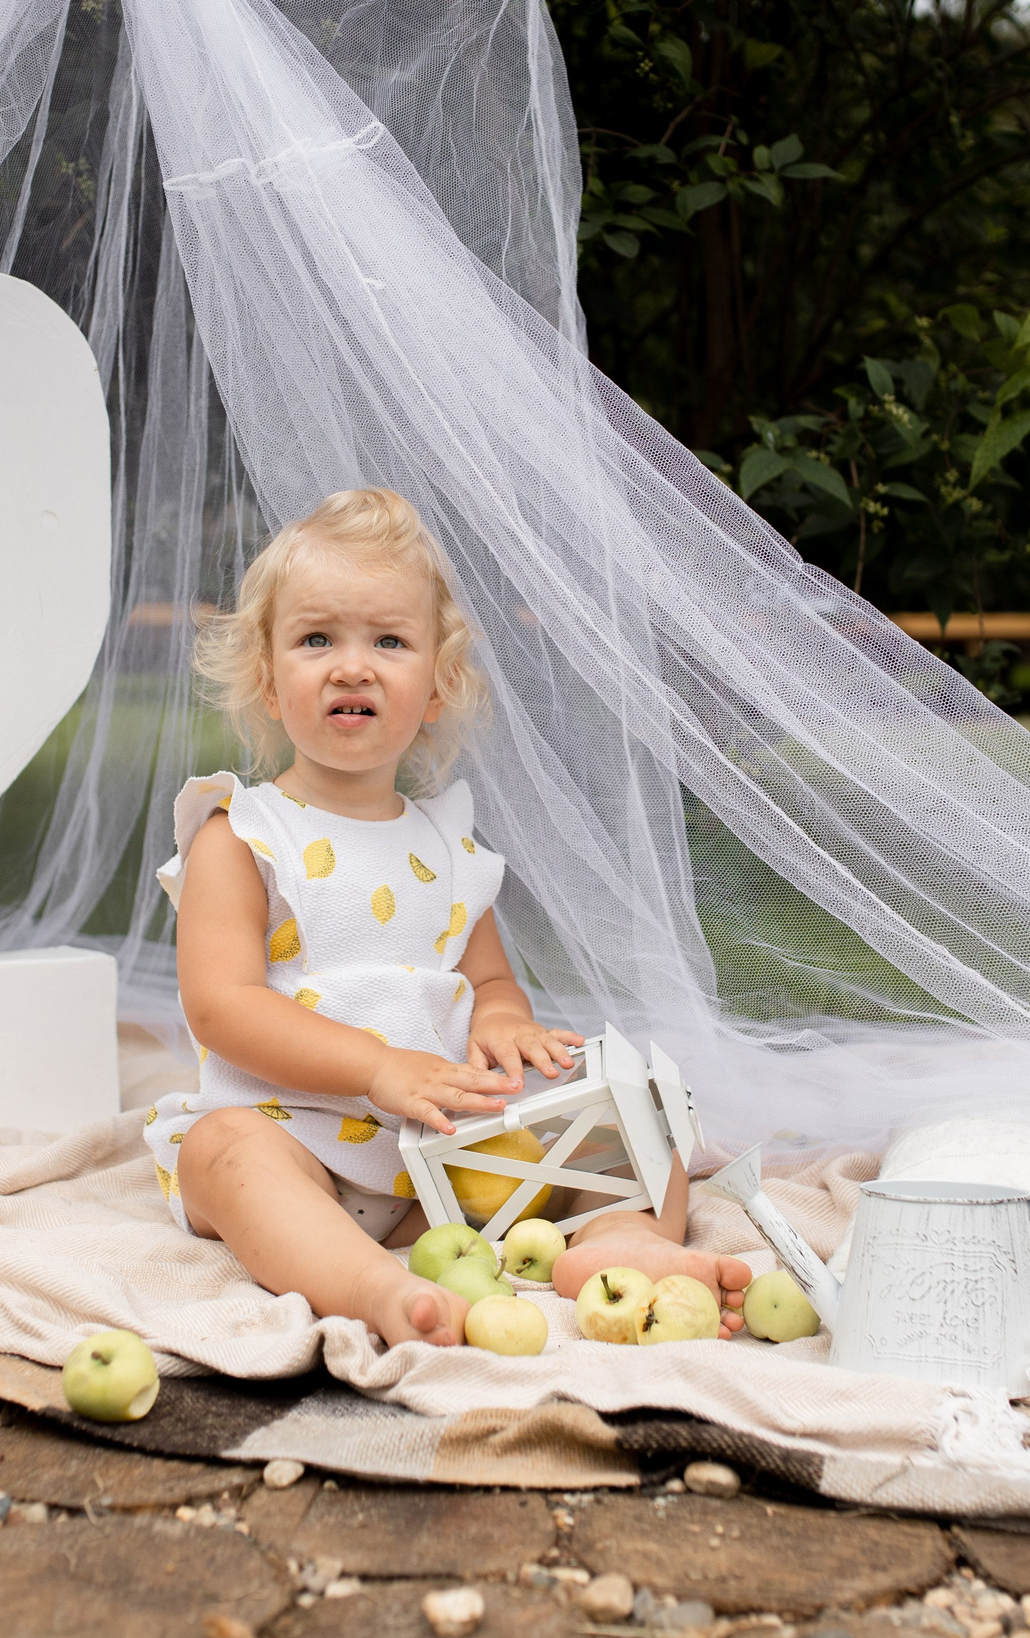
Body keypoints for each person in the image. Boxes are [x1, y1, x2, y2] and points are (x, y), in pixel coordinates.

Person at [146, 488, 751, 1347]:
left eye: (389, 642)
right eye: (316, 639)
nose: (352, 667)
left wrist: (506, 1024)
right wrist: (374, 1064)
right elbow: (221, 1004)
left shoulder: (449, 844)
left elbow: (489, 976)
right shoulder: (242, 832)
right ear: (267, 681)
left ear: (436, 688)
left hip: (448, 1158)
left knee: (642, 1120)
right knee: (222, 1153)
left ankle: (620, 1244)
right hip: (299, 1139)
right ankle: (368, 1287)